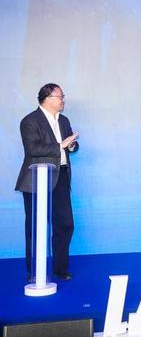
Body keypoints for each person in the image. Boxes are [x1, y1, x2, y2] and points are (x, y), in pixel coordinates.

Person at [15, 83, 79, 281]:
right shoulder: (29, 121)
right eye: (60, 96)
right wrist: (61, 145)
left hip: (60, 177)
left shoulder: (64, 120)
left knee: (65, 224)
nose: (63, 100)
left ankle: (60, 269)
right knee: (35, 227)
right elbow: (33, 149)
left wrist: (71, 146)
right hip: (36, 180)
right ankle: (34, 271)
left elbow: (70, 146)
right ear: (48, 98)